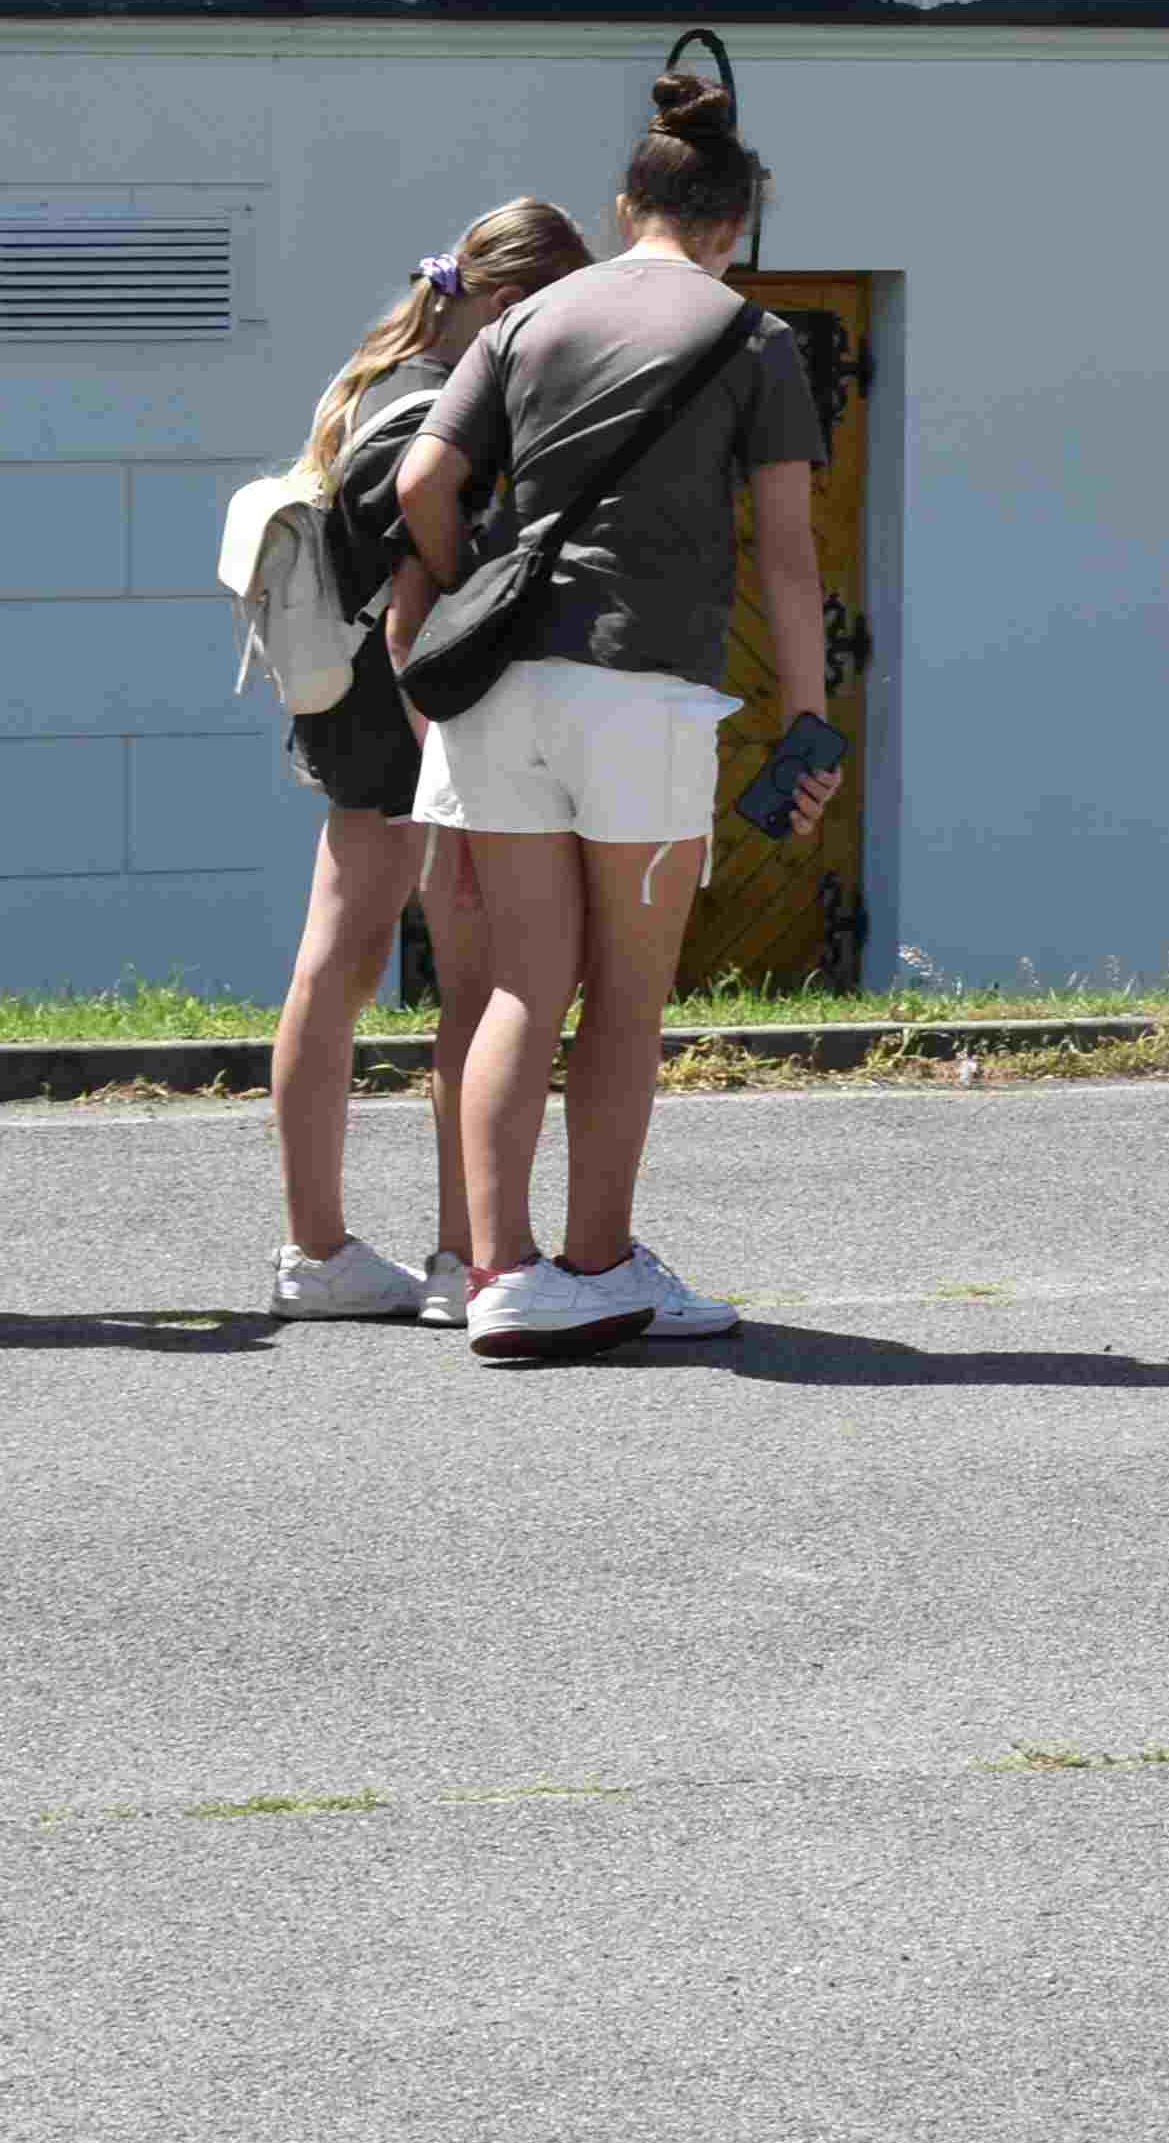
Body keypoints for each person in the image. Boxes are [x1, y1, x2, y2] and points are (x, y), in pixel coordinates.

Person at [384, 78, 841, 1367]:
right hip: (640, 687)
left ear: (623, 206)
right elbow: (791, 556)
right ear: (735, 222)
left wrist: (479, 558)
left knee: (524, 983)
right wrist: (808, 720)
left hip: (504, 686)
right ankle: (599, 1260)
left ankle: (501, 1274)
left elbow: (426, 475)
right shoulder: (755, 339)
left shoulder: (526, 317)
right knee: (628, 999)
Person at [262, 199, 590, 1325]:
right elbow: (421, 600)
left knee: (336, 968)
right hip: (418, 717)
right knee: (472, 976)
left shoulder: (373, 383)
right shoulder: (430, 415)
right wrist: (450, 769)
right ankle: (462, 1255)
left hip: (357, 710)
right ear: (504, 306)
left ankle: (321, 1250)